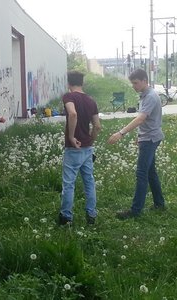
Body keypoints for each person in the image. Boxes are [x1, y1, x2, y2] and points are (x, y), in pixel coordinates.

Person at [107, 69, 166, 219]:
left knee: (141, 174)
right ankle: (159, 204)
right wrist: (140, 136)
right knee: (151, 172)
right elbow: (146, 121)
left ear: (145, 81)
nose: (134, 86)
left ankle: (135, 211)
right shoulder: (146, 95)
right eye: (132, 83)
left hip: (150, 139)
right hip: (149, 137)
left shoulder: (150, 97)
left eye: (136, 83)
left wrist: (121, 133)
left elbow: (141, 119)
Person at [58, 71, 102, 225]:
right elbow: (97, 126)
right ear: (82, 83)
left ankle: (66, 217)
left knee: (69, 183)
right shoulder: (91, 100)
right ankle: (91, 215)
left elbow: (72, 114)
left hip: (73, 148)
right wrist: (91, 140)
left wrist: (71, 137)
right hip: (87, 148)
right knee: (89, 182)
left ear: (68, 83)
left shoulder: (69, 97)